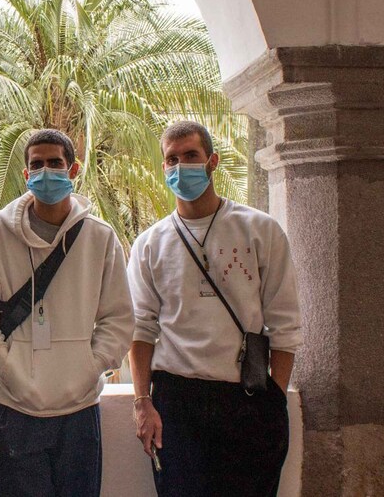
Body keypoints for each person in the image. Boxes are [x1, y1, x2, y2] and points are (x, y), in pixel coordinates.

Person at [127, 120, 302, 497]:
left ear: (213, 161)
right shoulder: (149, 244)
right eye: (171, 159)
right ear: (163, 169)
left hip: (248, 397)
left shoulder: (259, 230)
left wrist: (274, 400)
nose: (180, 166)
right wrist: (143, 403)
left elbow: (284, 323)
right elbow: (141, 329)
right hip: (176, 403)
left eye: (191, 155)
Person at [0, 129, 134, 497]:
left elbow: (118, 317)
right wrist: (6, 365)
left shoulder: (100, 238)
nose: (46, 171)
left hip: (79, 411)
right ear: (25, 175)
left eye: (55, 163)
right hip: (12, 407)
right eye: (36, 164)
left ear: (74, 169)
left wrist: (90, 367)